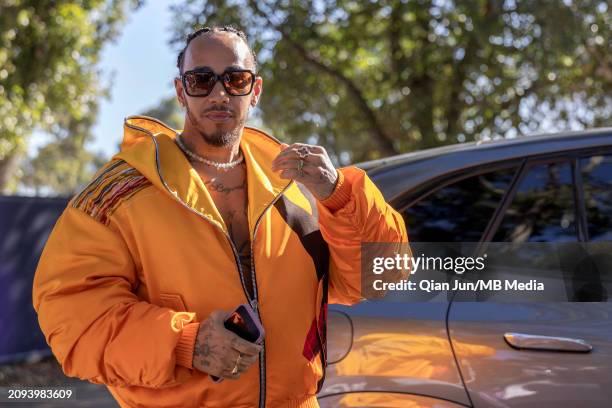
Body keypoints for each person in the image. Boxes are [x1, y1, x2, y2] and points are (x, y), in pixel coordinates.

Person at [32, 25, 409, 408]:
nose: (219, 93)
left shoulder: (297, 186)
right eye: (201, 80)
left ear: (255, 90)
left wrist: (340, 195)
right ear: (181, 91)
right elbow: (71, 316)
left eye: (235, 79)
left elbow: (381, 277)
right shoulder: (117, 195)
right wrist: (184, 344)